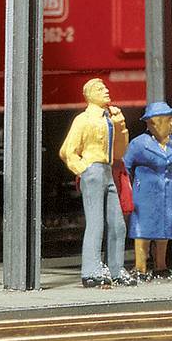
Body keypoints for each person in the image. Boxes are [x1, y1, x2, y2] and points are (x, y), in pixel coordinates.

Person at [56, 76, 131, 287]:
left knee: (117, 225)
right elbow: (67, 151)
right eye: (100, 89)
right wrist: (84, 170)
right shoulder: (83, 120)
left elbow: (119, 151)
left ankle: (116, 269)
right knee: (96, 223)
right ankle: (91, 269)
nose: (106, 90)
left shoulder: (109, 119)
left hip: (108, 171)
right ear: (90, 95)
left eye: (105, 87)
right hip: (93, 171)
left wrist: (121, 126)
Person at [123, 101, 172, 281]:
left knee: (164, 228)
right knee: (143, 230)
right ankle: (140, 268)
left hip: (168, 192)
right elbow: (125, 166)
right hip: (145, 193)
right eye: (168, 121)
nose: (171, 125)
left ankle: (161, 266)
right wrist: (130, 186)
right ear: (153, 123)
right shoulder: (139, 144)